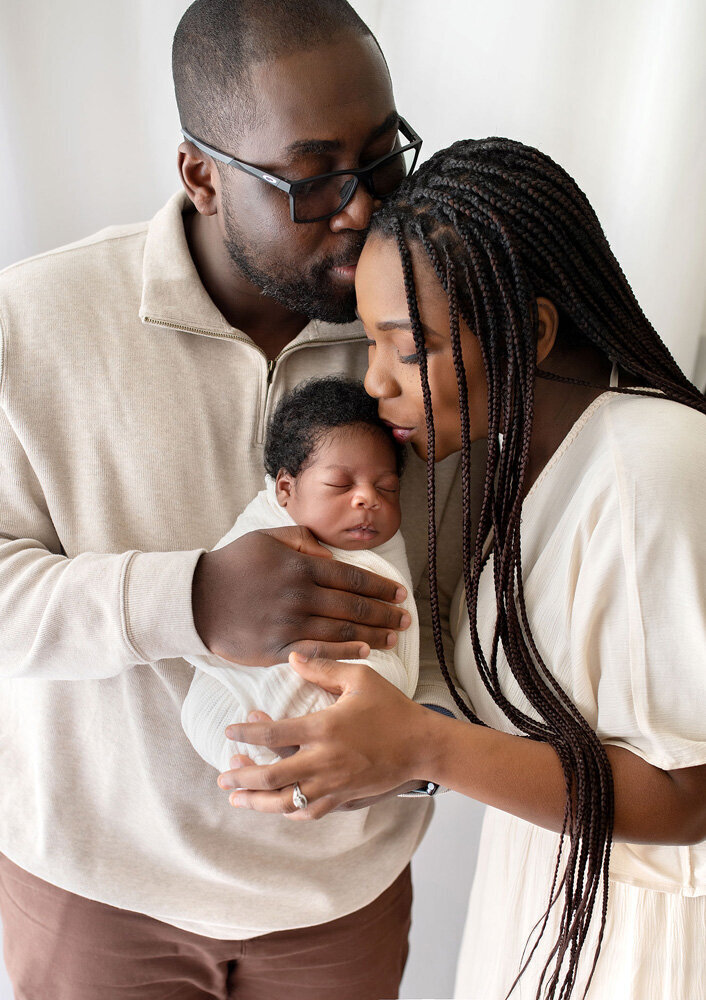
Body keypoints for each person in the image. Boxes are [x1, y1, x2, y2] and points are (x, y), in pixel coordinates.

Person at [0, 2, 467, 998]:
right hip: (94, 898)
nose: (359, 208)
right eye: (309, 179)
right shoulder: (29, 323)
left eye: (383, 160)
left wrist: (425, 747)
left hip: (341, 901)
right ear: (201, 175)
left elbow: (490, 573)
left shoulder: (430, 326)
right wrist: (194, 598)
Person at [219, 138, 706, 1000]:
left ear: (535, 330)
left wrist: (424, 745)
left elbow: (690, 795)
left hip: (649, 947)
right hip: (549, 896)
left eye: (404, 348)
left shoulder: (651, 467)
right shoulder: (527, 460)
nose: (373, 383)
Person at [182, 375, 420, 772]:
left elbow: (406, 633)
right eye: (340, 484)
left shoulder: (383, 547)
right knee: (203, 711)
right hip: (244, 680)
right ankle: (259, 731)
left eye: (387, 488)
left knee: (380, 676)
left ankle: (294, 734)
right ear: (285, 490)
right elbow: (217, 602)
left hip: (355, 704)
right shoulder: (261, 528)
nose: (368, 499)